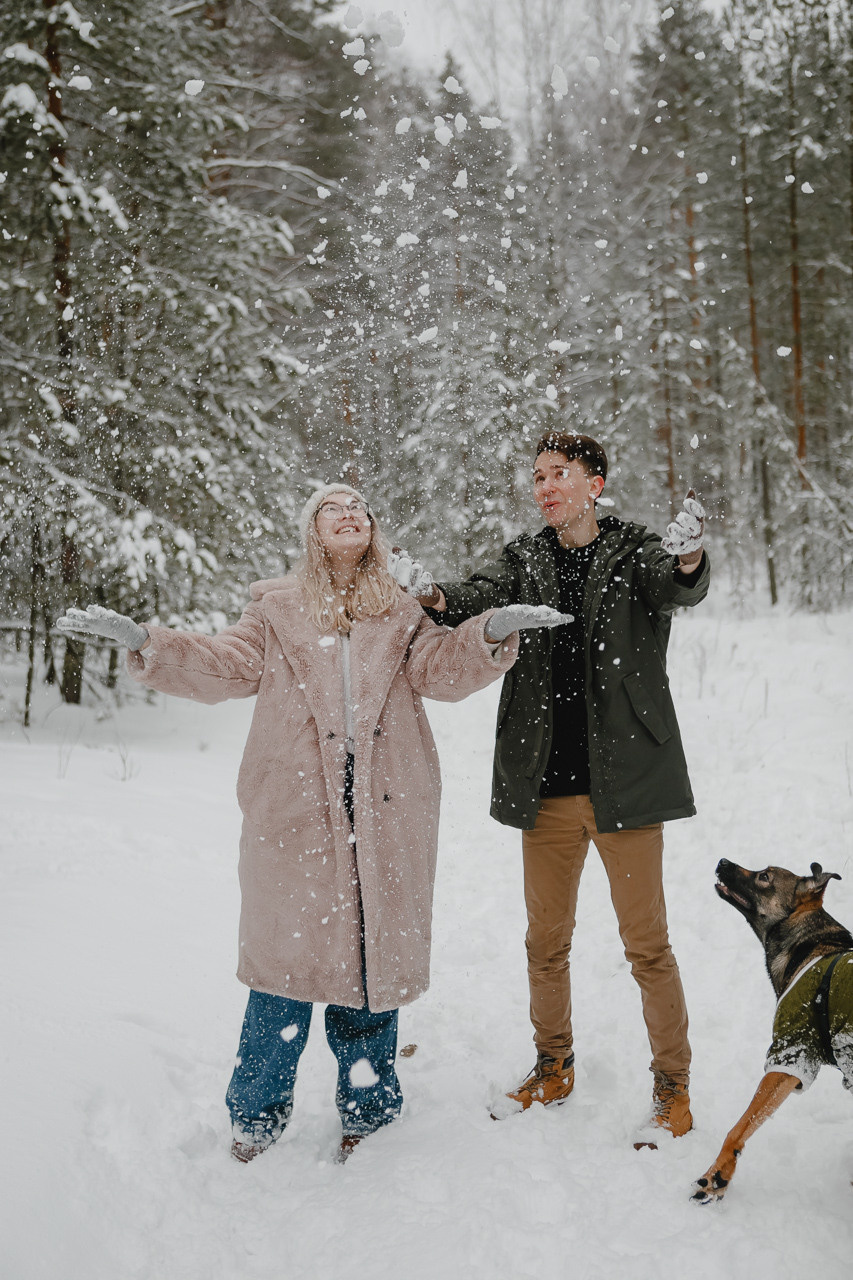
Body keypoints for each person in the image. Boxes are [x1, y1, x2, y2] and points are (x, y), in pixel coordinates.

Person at [57, 483, 567, 1163]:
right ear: (312, 531)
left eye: (358, 507)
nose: (348, 513)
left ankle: (368, 1104)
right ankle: (256, 1114)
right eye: (332, 508)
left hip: (388, 806)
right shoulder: (275, 608)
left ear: (373, 529)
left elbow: (440, 673)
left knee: (370, 963)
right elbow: (226, 665)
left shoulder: (402, 606)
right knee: (283, 971)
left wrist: (487, 632)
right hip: (295, 811)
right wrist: (151, 643)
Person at [388, 434, 710, 1144]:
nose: (544, 487)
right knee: (544, 943)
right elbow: (469, 599)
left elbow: (678, 584)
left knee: (646, 947)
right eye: (536, 477)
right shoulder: (524, 558)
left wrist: (687, 554)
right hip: (548, 787)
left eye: (558, 475)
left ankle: (672, 1085)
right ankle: (552, 1065)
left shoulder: (633, 553)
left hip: (626, 784)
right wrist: (431, 593)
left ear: (594, 483)